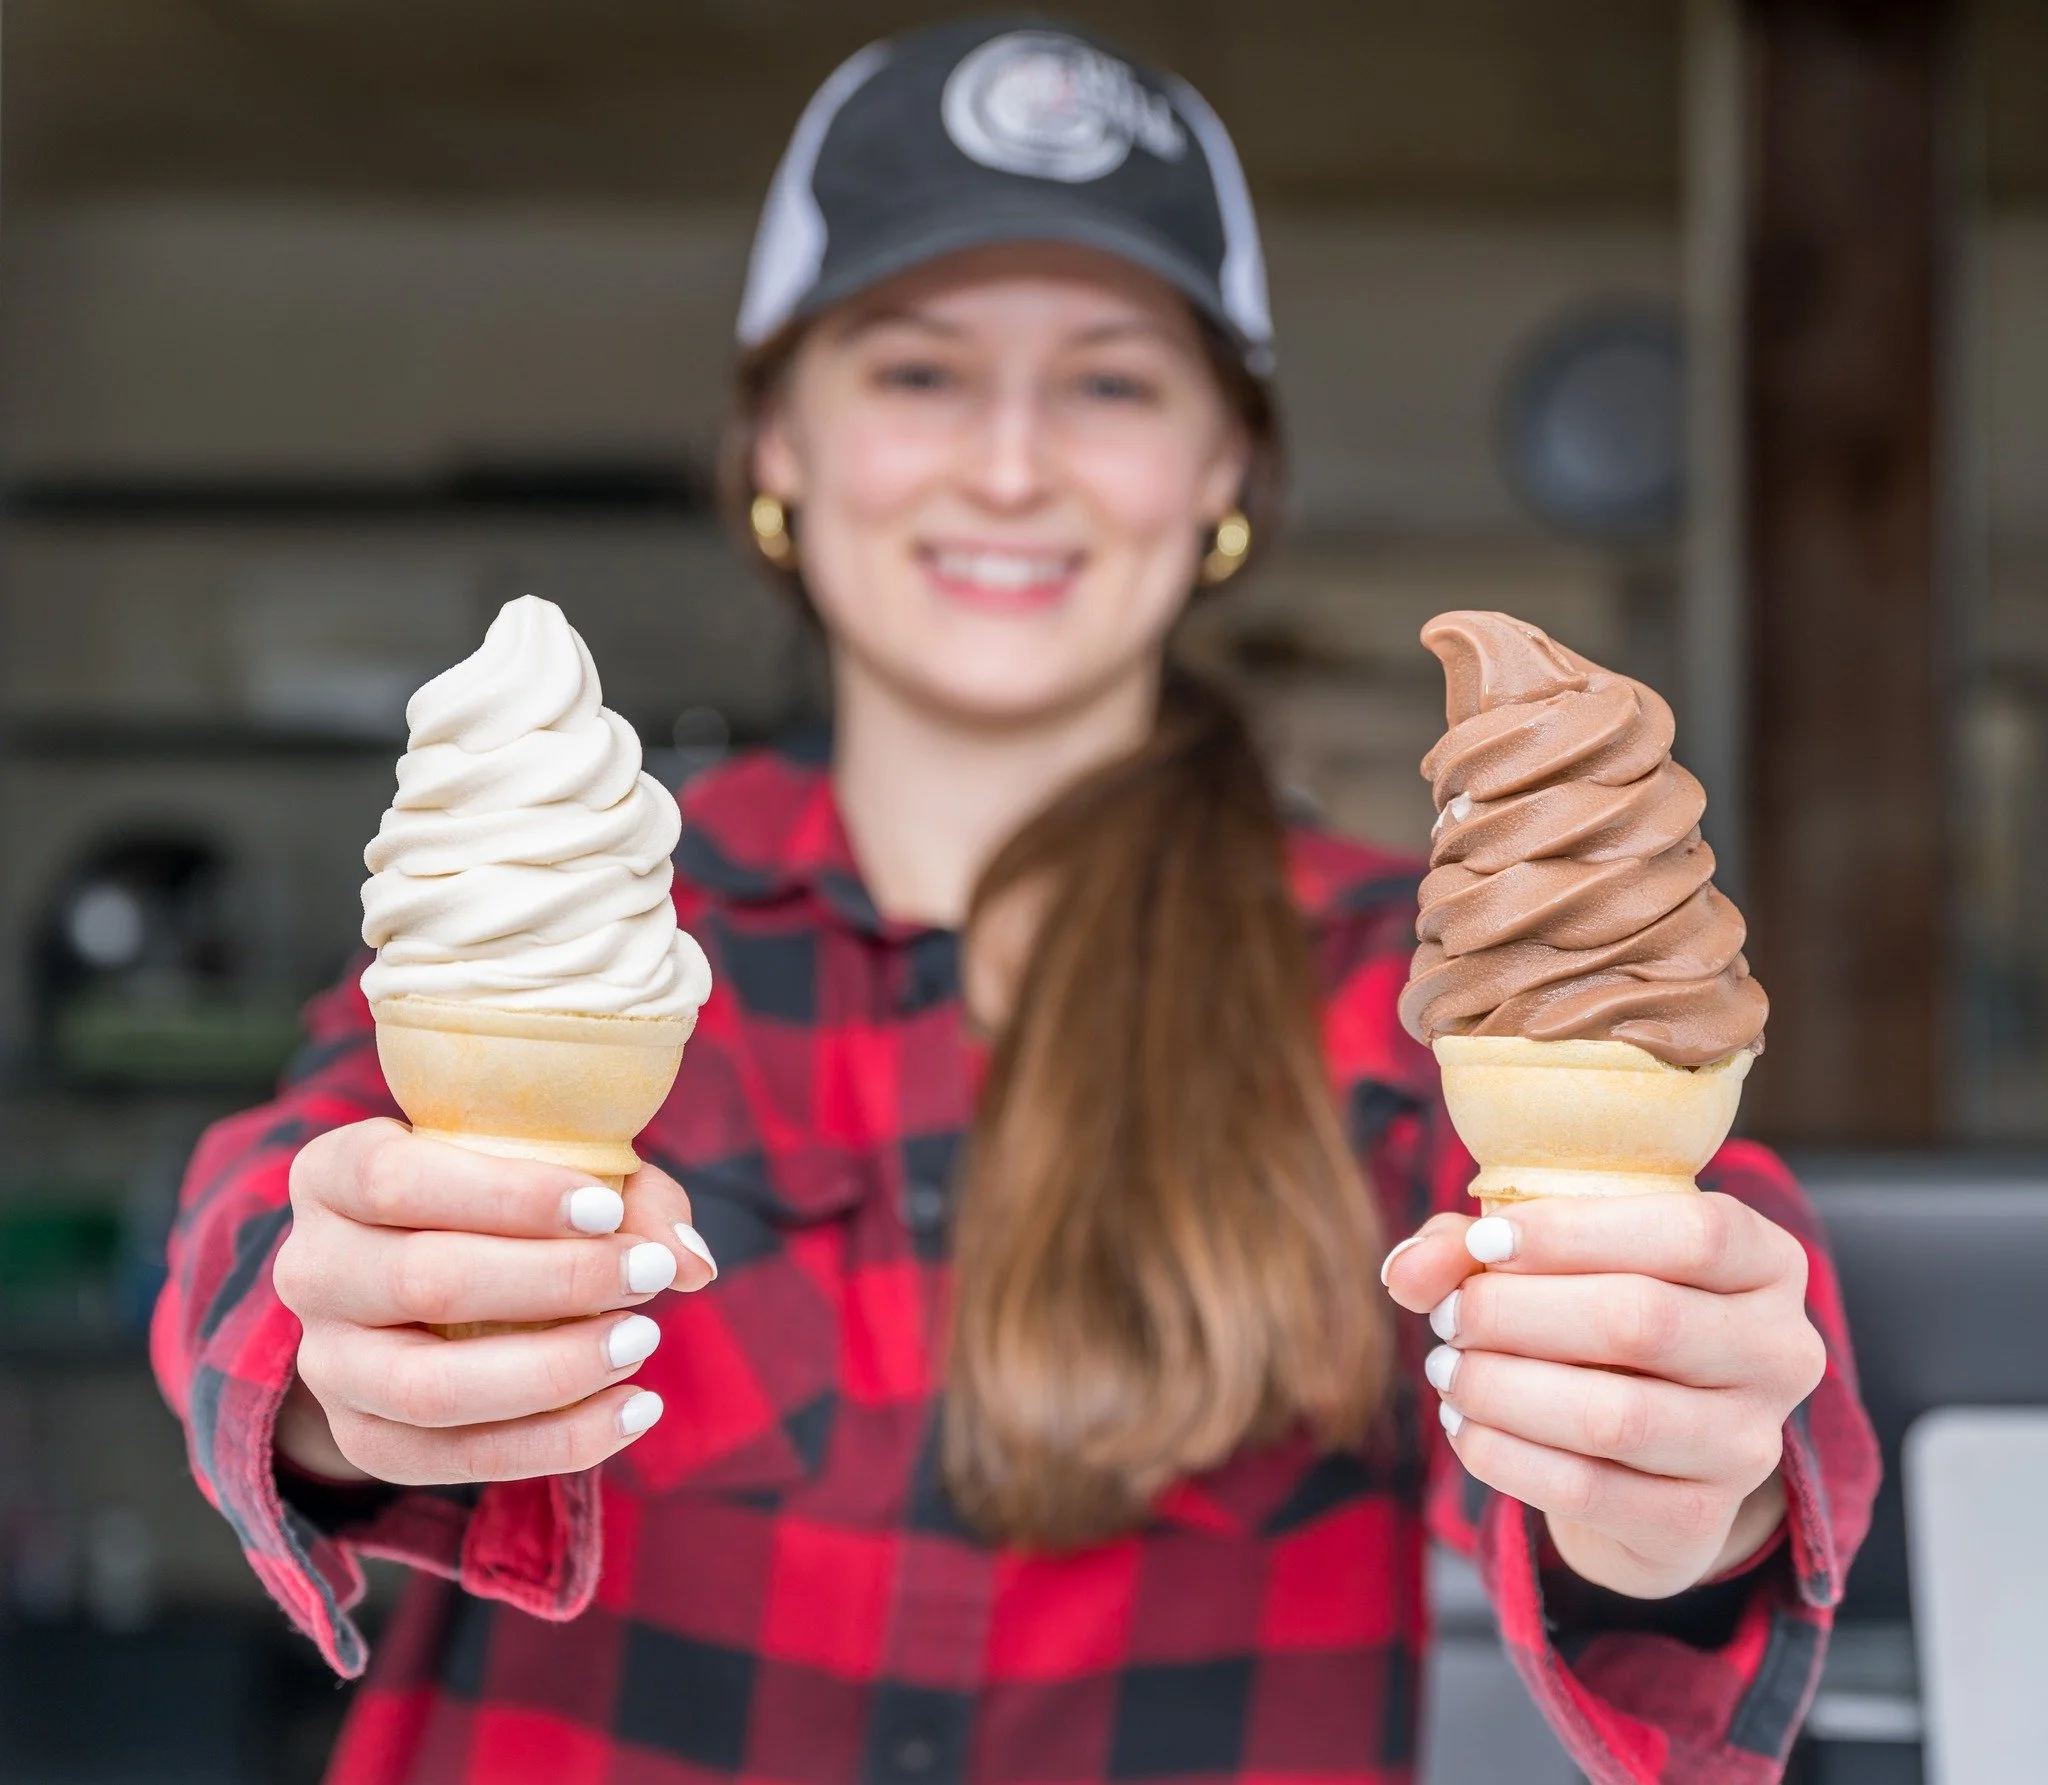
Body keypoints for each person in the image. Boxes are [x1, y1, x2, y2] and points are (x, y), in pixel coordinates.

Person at [152, 18, 1877, 1784]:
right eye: (917, 372)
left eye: (1113, 384)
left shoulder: (1419, 976)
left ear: (1228, 474)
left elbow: (1713, 1319)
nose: (1008, 464)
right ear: (776, 445)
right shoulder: (574, 930)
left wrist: (1703, 1474)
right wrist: (332, 1364)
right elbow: (254, 1221)